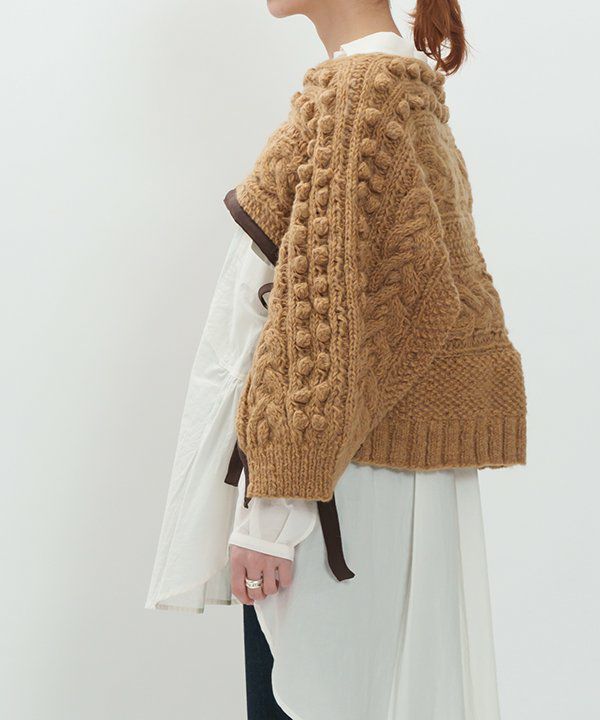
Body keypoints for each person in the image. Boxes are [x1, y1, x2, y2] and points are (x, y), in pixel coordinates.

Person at [146, 1, 527, 718]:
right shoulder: (394, 86)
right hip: (361, 487)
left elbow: (324, 323)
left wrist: (272, 518)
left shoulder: (358, 95)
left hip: (331, 501)